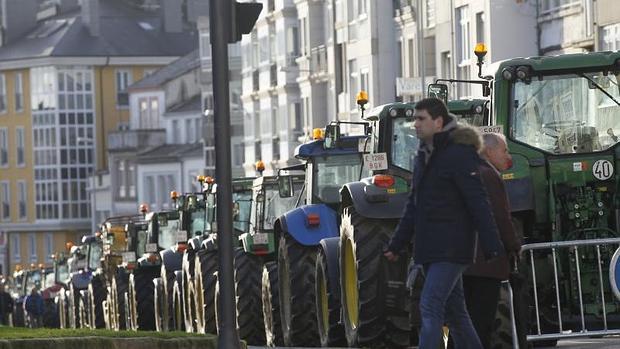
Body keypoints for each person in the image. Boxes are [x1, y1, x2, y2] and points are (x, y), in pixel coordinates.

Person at [384, 97, 504, 349]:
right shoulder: (424, 155)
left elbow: (478, 201)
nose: (415, 124)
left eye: (421, 119)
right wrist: (397, 244)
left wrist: (492, 244)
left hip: (452, 248)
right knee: (457, 314)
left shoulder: (459, 154)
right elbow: (414, 205)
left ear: (438, 122)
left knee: (430, 305)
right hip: (430, 248)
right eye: (414, 119)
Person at [449, 132, 523, 348]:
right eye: (504, 150)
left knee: (462, 323)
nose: (507, 156)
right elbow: (501, 218)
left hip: (461, 262)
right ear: (489, 151)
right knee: (480, 323)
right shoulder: (489, 176)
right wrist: (514, 246)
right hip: (485, 264)